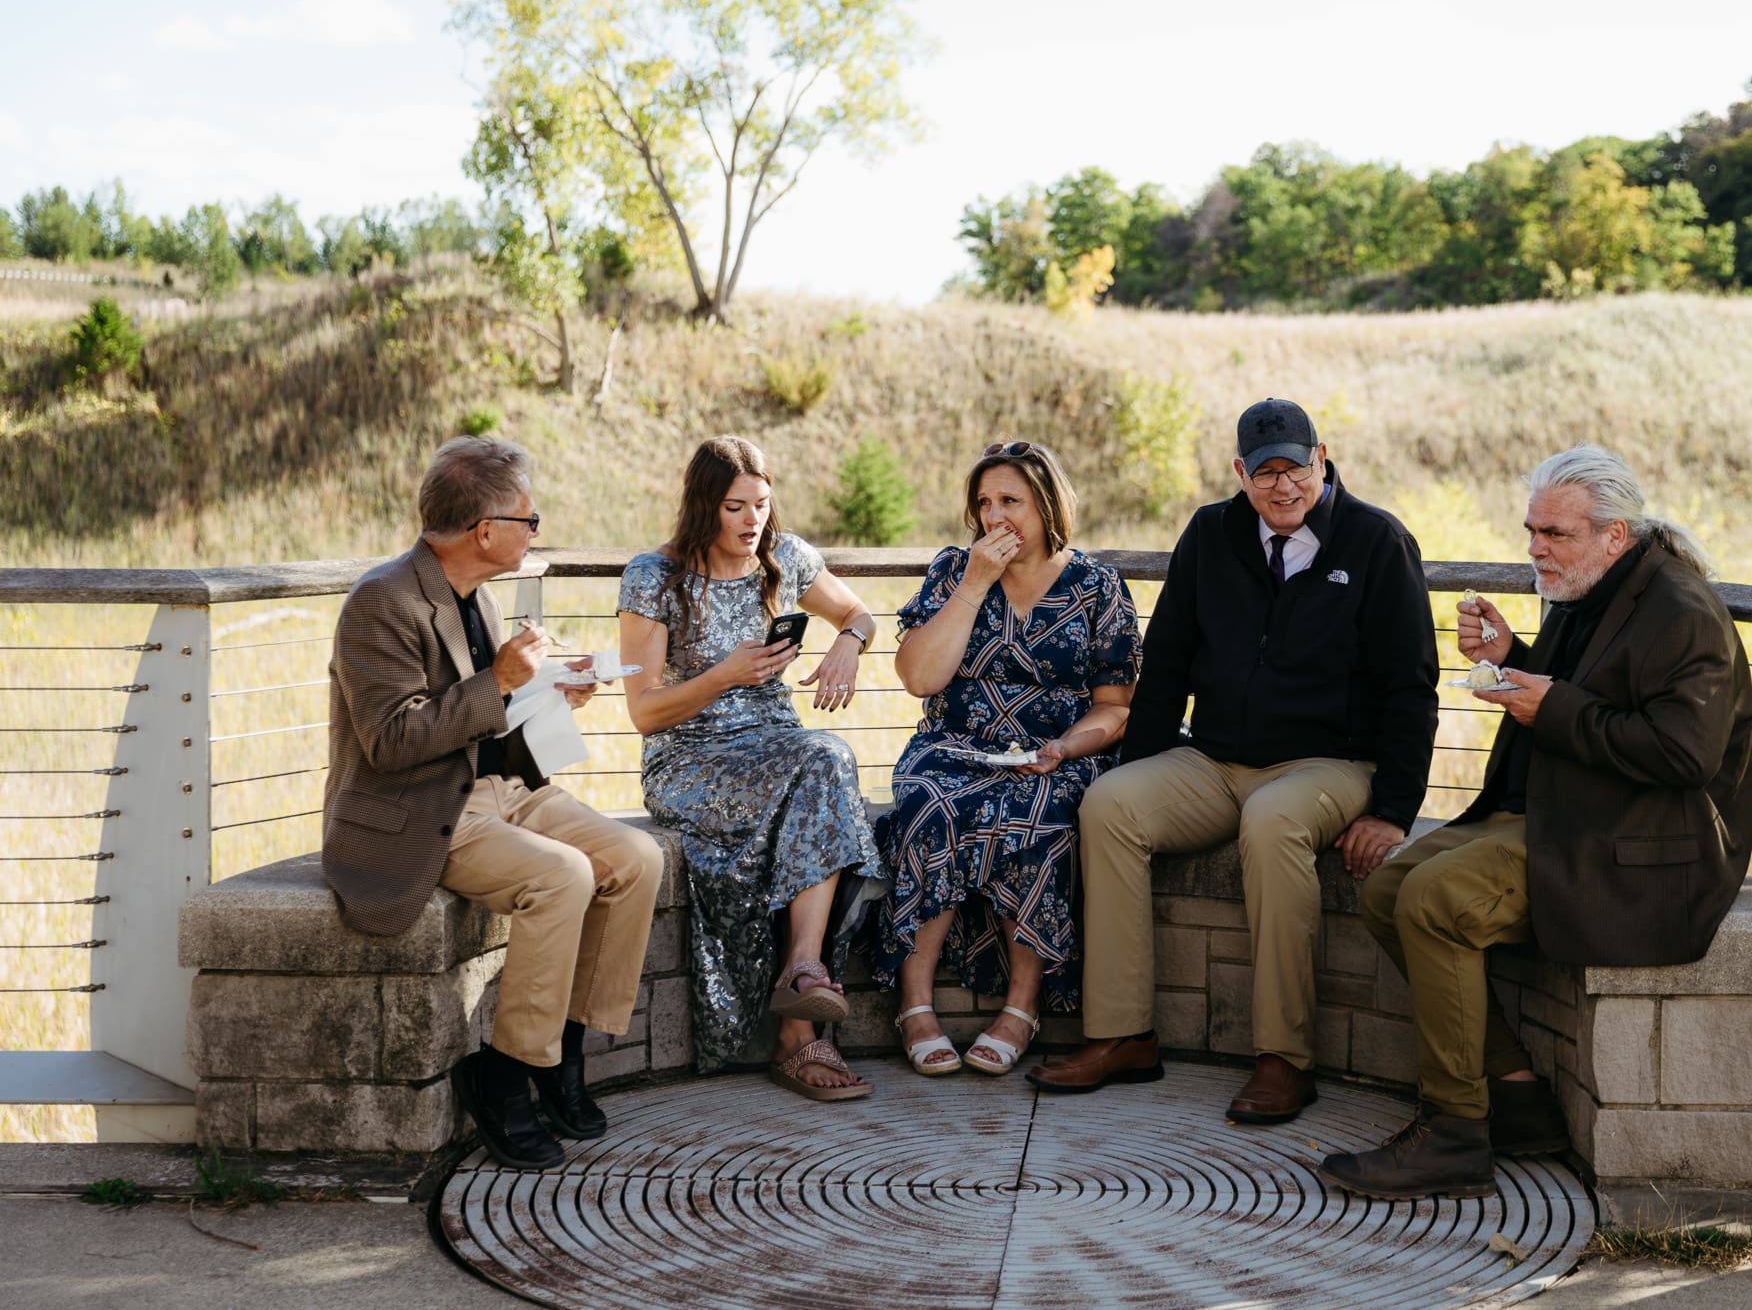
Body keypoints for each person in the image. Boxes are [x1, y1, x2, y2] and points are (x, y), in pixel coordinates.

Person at [1322, 443, 1752, 1201]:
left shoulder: (1684, 614)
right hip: (1571, 811)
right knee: (1389, 885)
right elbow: (1580, 693)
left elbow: (1682, 755)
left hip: (1643, 848)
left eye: (1554, 533)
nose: (1535, 548)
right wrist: (1511, 655)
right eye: (1532, 530)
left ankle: (1455, 1129)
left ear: (1614, 533)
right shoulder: (1592, 589)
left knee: (1435, 899)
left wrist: (1550, 704)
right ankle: (1518, 1096)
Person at [1027, 398, 1439, 1124]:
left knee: (1273, 819)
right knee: (1111, 803)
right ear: (1240, 474)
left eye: (1297, 468)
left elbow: (1412, 685)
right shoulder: (1211, 533)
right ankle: (1123, 1034)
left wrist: (1394, 808)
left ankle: (1284, 1058)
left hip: (1329, 765)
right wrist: (1141, 765)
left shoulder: (1377, 542)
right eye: (1266, 472)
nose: (1284, 487)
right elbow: (1171, 662)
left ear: (1322, 459)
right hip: (1215, 760)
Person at [324, 436, 663, 1171]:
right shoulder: (380, 602)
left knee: (637, 857)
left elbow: (485, 717)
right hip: (424, 809)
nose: (535, 530)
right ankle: (504, 1073)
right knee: (563, 875)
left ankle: (561, 1051)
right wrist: (502, 680)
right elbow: (390, 739)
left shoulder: (475, 593)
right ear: (484, 530)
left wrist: (548, 688)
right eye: (528, 520)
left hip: (501, 788)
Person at [616, 435, 883, 1103]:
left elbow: (860, 612)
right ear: (703, 505)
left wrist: (849, 642)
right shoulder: (653, 576)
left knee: (828, 757)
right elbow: (645, 712)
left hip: (778, 749)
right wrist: (724, 674)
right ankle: (802, 1000)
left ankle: (800, 976)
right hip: (690, 757)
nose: (751, 521)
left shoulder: (784, 560)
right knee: (825, 769)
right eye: (735, 506)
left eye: (761, 504)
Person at [876, 441, 1142, 1076]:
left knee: (1039, 815)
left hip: (1057, 751)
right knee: (927, 804)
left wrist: (1064, 747)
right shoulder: (954, 570)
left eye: (1010, 502)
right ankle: (914, 1004)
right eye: (984, 504)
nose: (994, 518)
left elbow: (1116, 706)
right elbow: (918, 678)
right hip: (956, 744)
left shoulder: (1097, 587)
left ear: (1048, 505)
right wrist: (974, 584)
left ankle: (1022, 1005)